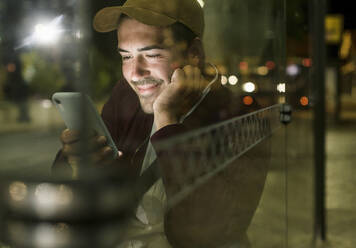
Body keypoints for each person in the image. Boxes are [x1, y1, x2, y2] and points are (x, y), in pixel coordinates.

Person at [53, 0, 269, 247]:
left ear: (194, 54)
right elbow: (63, 183)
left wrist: (167, 120)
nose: (135, 73)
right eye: (126, 56)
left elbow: (205, 233)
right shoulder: (126, 96)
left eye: (152, 54)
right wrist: (76, 160)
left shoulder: (239, 117)